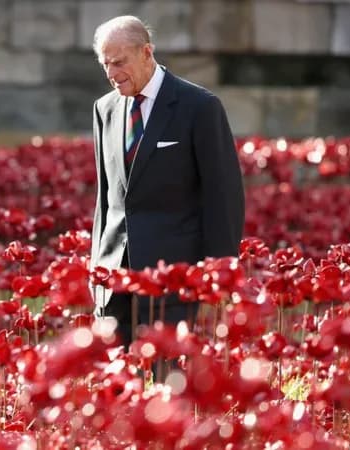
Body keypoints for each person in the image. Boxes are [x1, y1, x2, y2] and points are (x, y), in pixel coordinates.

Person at [89, 16, 245, 348]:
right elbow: (106, 200)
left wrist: (219, 275)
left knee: (167, 375)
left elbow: (223, 197)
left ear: (147, 52)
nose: (112, 73)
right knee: (112, 376)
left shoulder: (200, 107)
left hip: (174, 282)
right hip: (114, 281)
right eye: (105, 64)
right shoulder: (104, 109)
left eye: (119, 62)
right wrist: (96, 270)